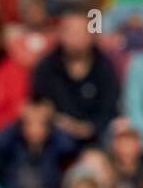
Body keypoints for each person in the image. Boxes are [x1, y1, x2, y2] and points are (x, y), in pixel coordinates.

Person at [30, 10, 121, 145]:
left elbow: (109, 110)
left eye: (81, 32)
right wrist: (59, 122)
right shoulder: (46, 67)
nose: (75, 38)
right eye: (70, 32)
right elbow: (38, 104)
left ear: (92, 35)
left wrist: (88, 129)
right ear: (60, 34)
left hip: (97, 137)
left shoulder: (105, 67)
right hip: (55, 136)